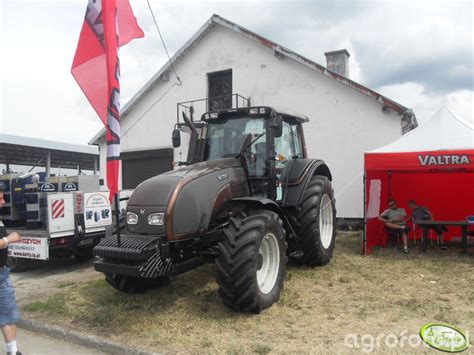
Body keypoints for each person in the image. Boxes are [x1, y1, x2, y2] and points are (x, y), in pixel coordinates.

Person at [0, 188, 21, 355]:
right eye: (0, 199)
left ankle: (12, 352)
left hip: (2, 274)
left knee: (8, 312)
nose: (3, 202)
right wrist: (9, 239)